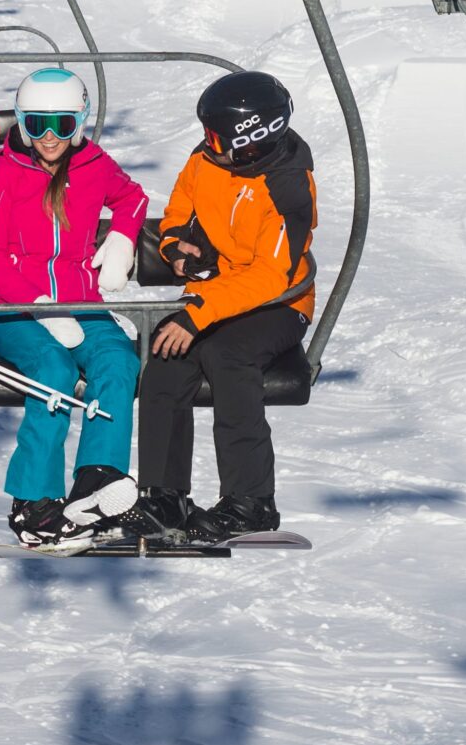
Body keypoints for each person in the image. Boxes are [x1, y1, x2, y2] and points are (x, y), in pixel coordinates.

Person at [103, 71, 315, 546]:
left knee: (227, 355)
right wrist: (178, 243)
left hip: (278, 304)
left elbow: (270, 275)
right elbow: (180, 206)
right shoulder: (207, 159)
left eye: (216, 135)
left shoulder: (287, 188)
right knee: (165, 356)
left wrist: (198, 313)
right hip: (217, 294)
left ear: (251, 139)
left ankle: (251, 501)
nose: (206, 142)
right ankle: (165, 494)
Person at [0, 69, 148, 545]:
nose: (50, 137)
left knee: (117, 359)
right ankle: (34, 501)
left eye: (63, 125)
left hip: (81, 300)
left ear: (80, 123)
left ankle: (97, 479)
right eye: (38, 124)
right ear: (24, 124)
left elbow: (132, 198)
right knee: (52, 369)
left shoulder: (94, 165)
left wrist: (121, 240)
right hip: (14, 308)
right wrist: (39, 306)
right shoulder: (2, 176)